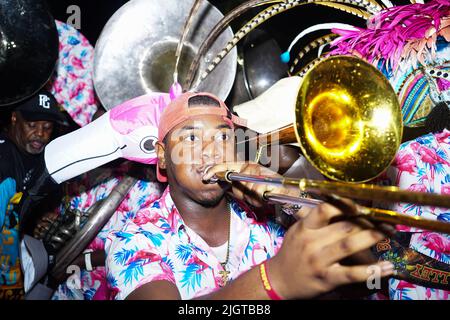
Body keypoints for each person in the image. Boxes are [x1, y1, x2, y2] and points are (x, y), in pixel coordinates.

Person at [105, 92, 394, 300]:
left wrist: (291, 195)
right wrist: (272, 280)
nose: (211, 151)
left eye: (223, 137)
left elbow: (376, 274)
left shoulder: (268, 214)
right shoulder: (134, 239)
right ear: (163, 157)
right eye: (191, 138)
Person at [0, 89, 64, 299]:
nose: (40, 134)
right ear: (14, 118)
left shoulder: (37, 156)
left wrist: (39, 219)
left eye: (47, 127)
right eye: (32, 125)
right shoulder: (4, 160)